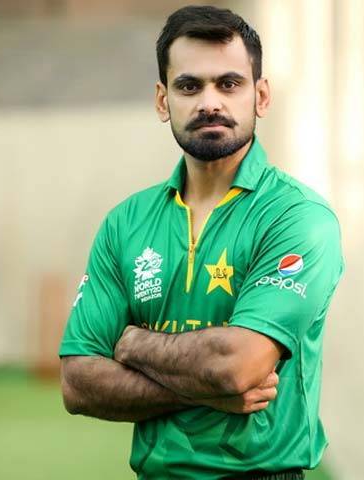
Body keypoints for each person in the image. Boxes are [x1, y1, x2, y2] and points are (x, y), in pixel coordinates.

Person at [58, 5, 344, 480]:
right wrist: (206, 388)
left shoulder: (298, 217)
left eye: (229, 84)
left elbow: (237, 367)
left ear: (261, 96)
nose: (210, 102)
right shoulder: (125, 223)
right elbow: (78, 383)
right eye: (189, 86)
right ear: (162, 100)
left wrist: (132, 344)